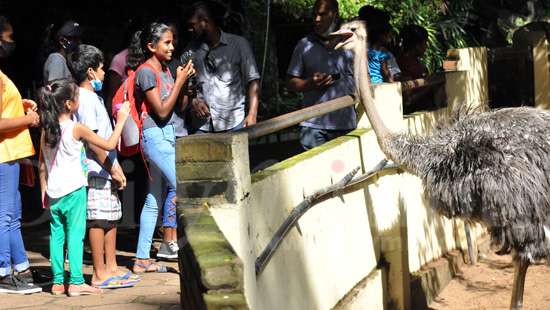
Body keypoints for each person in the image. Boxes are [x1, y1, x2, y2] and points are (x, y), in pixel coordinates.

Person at [38, 79, 130, 296]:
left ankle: (58, 283)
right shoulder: (76, 128)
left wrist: (43, 189)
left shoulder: (46, 129)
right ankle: (77, 282)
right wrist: (121, 121)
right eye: (77, 97)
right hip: (75, 190)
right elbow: (107, 145)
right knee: (76, 235)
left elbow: (42, 164)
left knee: (57, 236)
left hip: (53, 192)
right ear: (69, 104)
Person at [67, 44, 140, 288]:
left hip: (105, 168)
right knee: (98, 219)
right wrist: (113, 168)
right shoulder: (85, 100)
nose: (103, 75)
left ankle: (111, 266)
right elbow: (94, 143)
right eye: (100, 70)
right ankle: (99, 272)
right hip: (96, 168)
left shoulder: (92, 97)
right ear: (90, 72)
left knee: (111, 216)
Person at [128, 23, 195, 272]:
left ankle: (141, 259)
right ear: (151, 46)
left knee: (153, 199)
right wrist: (179, 80)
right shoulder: (146, 72)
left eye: (172, 42)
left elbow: (178, 108)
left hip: (168, 133)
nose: (172, 46)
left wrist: (187, 83)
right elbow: (162, 110)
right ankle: (191, 254)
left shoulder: (167, 70)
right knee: (184, 188)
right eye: (166, 42)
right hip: (154, 137)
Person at [0, 16, 42, 295]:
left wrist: (22, 107)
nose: (11, 43)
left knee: (13, 215)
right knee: (4, 215)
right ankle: (4, 273)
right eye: (9, 37)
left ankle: (21, 268)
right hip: (4, 155)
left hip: (11, 154)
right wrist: (27, 120)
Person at [286, 0, 356, 150]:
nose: (317, 19)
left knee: (345, 170)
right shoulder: (304, 45)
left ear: (335, 15)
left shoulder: (352, 43)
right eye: (314, 15)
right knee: (316, 172)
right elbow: (291, 82)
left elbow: (365, 80)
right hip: (313, 126)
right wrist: (309, 84)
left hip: (345, 124)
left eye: (322, 14)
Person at [182, 0, 260, 133]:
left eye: (192, 25)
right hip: (201, 126)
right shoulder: (190, 51)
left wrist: (252, 114)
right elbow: (184, 86)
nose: (189, 29)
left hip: (234, 123)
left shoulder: (238, 45)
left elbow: (253, 80)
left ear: (205, 22)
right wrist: (193, 101)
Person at [358, 5, 401, 82]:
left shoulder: (358, 49)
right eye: (388, 34)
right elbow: (392, 77)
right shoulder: (385, 54)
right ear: (381, 35)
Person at [43, 20, 83, 84]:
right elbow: (56, 90)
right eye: (75, 38)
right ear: (62, 40)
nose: (79, 42)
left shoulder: (63, 60)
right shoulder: (56, 59)